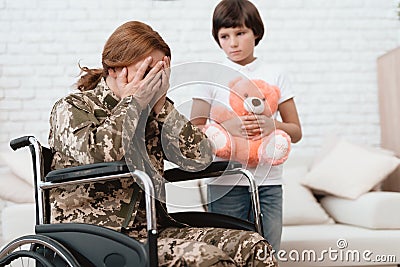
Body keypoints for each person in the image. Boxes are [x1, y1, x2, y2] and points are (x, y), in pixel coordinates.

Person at [48, 20, 278, 266]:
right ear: (114, 69)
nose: (153, 81)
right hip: (95, 233)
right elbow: (101, 154)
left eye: (159, 72)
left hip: (154, 229)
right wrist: (134, 102)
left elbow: (200, 158)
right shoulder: (72, 107)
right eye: (146, 71)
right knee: (206, 259)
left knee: (254, 247)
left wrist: (161, 108)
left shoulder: (153, 110)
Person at [190, 0, 302, 253]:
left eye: (240, 33)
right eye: (224, 36)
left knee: (267, 252)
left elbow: (296, 132)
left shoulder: (276, 74)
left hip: (269, 185)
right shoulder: (210, 75)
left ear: (256, 32)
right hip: (224, 184)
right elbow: (195, 129)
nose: (233, 42)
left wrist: (272, 125)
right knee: (228, 253)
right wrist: (228, 127)